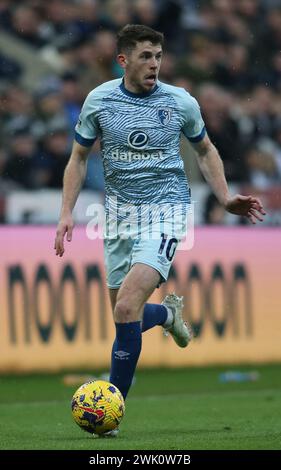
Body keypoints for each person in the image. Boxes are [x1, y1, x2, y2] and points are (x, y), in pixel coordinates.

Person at [54, 24, 266, 436]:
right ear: (124, 60)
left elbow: (205, 149)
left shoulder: (180, 102)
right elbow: (78, 158)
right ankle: (168, 313)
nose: (154, 64)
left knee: (125, 308)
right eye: (146, 56)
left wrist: (224, 198)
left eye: (158, 57)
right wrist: (67, 212)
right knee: (125, 316)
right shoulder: (100, 100)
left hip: (166, 211)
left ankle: (109, 411)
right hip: (117, 216)